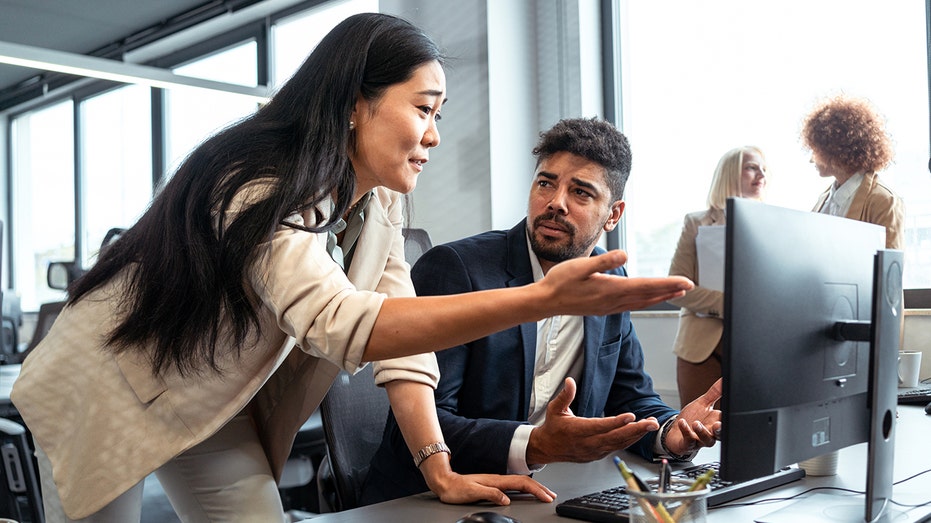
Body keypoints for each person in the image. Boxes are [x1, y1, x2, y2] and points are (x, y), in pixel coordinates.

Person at [9, 14, 694, 522]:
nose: (433, 134)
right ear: (353, 104)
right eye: (422, 109)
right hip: (108, 386)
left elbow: (405, 343)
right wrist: (538, 300)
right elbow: (345, 324)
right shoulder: (254, 182)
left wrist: (440, 466)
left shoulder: (376, 202)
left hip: (207, 399)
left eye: (439, 114)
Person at [360, 117, 722, 505]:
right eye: (546, 183)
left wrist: (672, 432)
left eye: (581, 192)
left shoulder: (610, 281)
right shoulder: (457, 269)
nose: (555, 203)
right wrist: (533, 446)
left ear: (613, 215)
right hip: (427, 500)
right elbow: (418, 425)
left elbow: (630, 400)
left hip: (550, 496)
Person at [668, 146, 767, 407]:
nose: (761, 175)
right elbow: (677, 287)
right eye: (752, 167)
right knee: (697, 434)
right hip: (701, 349)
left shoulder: (771, 226)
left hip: (755, 347)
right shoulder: (696, 223)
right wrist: (729, 304)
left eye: (764, 170)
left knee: (753, 435)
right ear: (730, 172)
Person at [801, 94, 904, 249]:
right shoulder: (824, 198)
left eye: (816, 150)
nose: (811, 159)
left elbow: (889, 269)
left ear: (836, 150)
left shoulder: (884, 201)